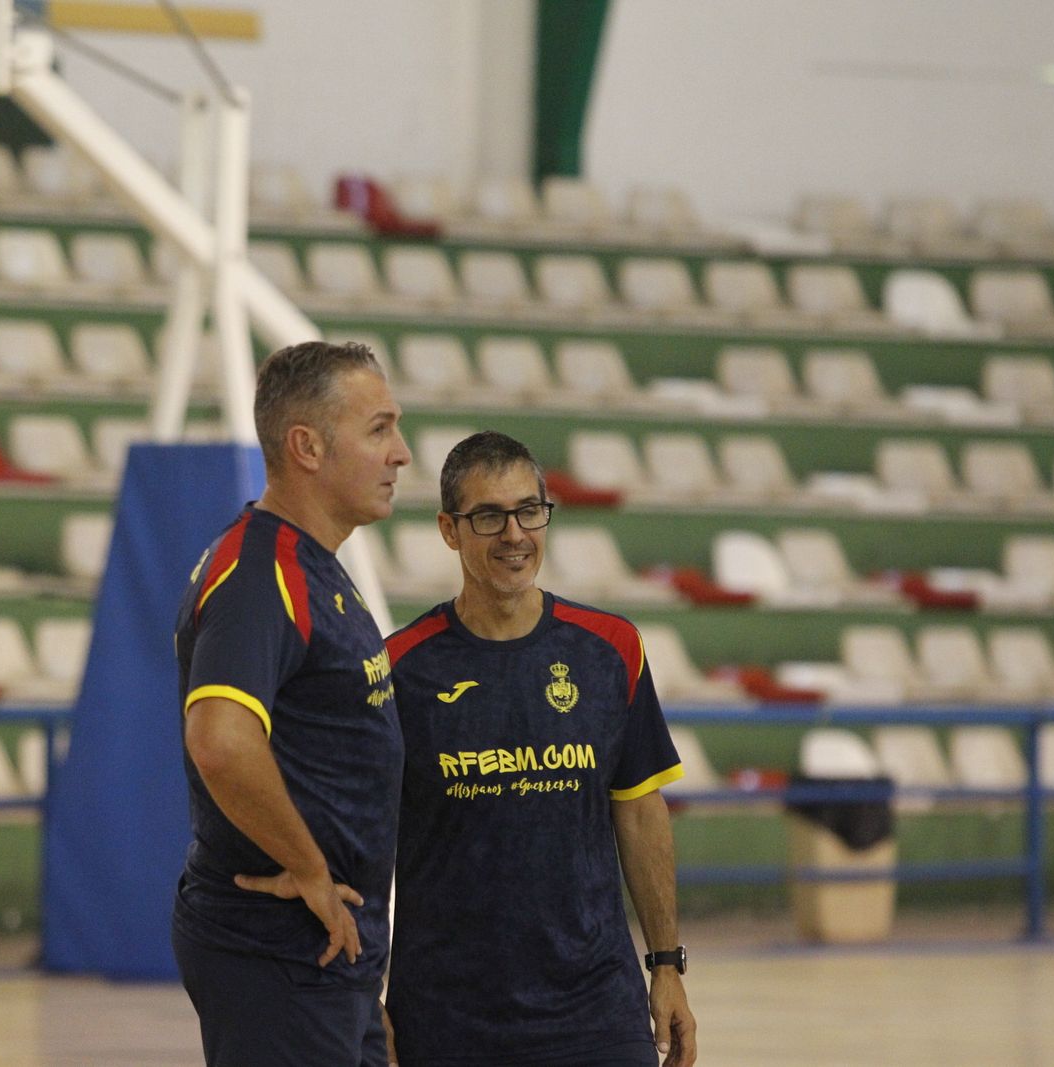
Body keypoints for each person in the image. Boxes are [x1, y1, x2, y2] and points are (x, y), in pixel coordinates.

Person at [384, 431, 697, 1067]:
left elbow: (640, 813)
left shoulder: (611, 649)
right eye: (489, 516)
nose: (515, 535)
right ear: (449, 530)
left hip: (597, 1011)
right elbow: (362, 843)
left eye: (529, 511)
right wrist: (366, 994)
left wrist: (666, 965)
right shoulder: (399, 668)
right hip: (446, 1017)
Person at [171, 340, 412, 1067]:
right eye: (379, 429)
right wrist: (309, 868)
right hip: (276, 950)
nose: (400, 453)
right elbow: (220, 741)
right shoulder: (259, 573)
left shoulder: (315, 567)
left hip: (327, 954)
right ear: (307, 447)